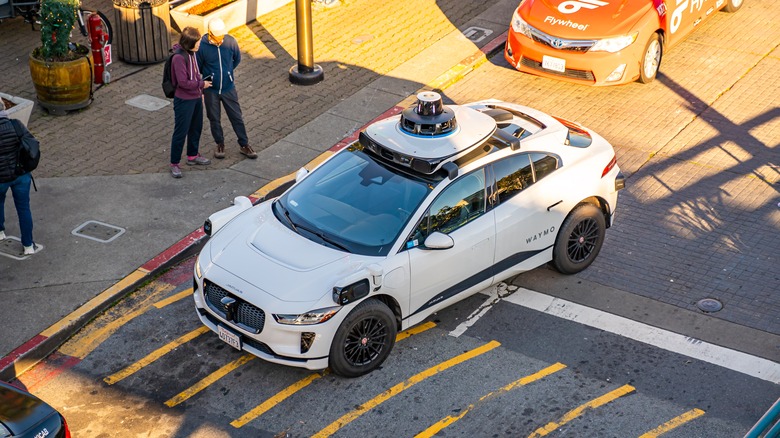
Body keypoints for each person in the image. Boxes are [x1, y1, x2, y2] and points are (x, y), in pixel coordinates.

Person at [196, 18, 257, 160]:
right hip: (210, 90)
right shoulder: (202, 47)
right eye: (217, 36)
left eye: (222, 35)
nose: (220, 39)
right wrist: (209, 78)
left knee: (236, 117)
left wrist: (228, 73)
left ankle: (244, 144)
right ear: (210, 33)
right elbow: (198, 66)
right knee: (214, 118)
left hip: (228, 88)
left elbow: (237, 59)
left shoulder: (230, 41)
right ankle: (220, 143)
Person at [169, 26, 212, 178]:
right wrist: (202, 85)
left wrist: (200, 90)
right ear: (189, 43)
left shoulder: (192, 53)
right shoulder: (179, 58)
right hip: (184, 100)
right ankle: (174, 163)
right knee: (181, 131)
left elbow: (194, 74)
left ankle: (192, 155)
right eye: (197, 42)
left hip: (195, 97)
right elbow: (183, 83)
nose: (199, 44)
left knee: (196, 127)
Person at [0, 100, 39, 255]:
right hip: (20, 175)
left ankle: (0, 232)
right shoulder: (15, 124)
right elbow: (32, 144)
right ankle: (28, 245)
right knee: (23, 209)